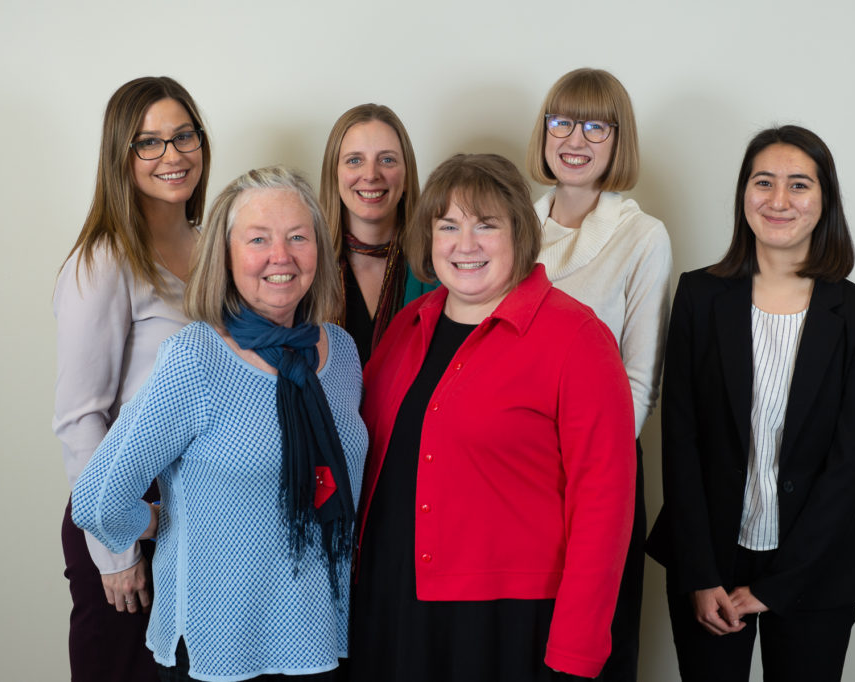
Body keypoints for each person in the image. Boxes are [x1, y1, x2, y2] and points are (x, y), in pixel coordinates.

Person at [71, 166, 368, 681]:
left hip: (323, 638)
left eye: (298, 237)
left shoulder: (340, 352)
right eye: (258, 239)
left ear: (319, 250)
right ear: (226, 257)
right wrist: (158, 527)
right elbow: (98, 496)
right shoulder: (196, 359)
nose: (282, 255)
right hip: (220, 649)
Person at [351, 153, 636, 681]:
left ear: (520, 234)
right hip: (390, 608)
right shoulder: (405, 328)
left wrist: (576, 650)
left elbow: (606, 506)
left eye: (486, 225)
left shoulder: (576, 339)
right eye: (448, 226)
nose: (465, 244)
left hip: (504, 625)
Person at [645, 125, 855, 682]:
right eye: (764, 182)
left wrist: (778, 586)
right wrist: (700, 574)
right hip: (708, 558)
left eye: (799, 185)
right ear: (743, 195)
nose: (779, 201)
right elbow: (679, 442)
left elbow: (852, 465)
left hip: (817, 564)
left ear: (825, 200)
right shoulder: (699, 297)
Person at [53, 75, 211, 682]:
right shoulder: (103, 260)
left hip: (190, 519)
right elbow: (79, 418)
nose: (171, 156)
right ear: (122, 156)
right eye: (148, 143)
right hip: (123, 515)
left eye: (183, 136)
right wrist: (116, 548)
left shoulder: (211, 248)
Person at [526, 67, 672, 681]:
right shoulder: (513, 226)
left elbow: (641, 378)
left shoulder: (642, 236)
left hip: (598, 470)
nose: (574, 138)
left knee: (590, 648)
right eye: (562, 121)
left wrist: (593, 465)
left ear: (619, 140)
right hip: (520, 469)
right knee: (523, 640)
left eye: (595, 125)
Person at [318, 103, 436, 365]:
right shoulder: (306, 265)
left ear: (406, 176)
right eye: (355, 160)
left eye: (387, 160)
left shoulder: (439, 265)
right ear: (334, 173)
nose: (370, 175)